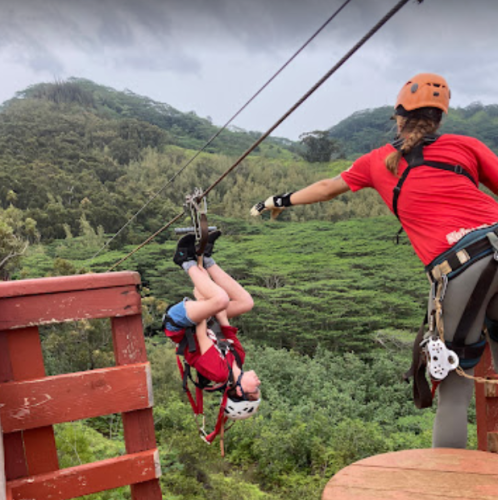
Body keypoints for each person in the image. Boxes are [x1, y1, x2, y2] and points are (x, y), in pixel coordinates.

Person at [251, 73, 498, 449]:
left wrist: (278, 201)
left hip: (461, 263)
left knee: (454, 385)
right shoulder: (466, 145)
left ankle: (448, 487)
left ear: (397, 117)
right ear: (439, 120)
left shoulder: (377, 162)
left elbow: (326, 188)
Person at [163, 230, 261, 437]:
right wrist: (211, 299)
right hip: (206, 322)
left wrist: (205, 302)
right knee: (245, 303)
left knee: (220, 300)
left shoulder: (218, 373)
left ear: (239, 391)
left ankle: (184, 260)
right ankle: (207, 260)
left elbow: (201, 334)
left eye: (255, 390)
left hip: (181, 325)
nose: (259, 383)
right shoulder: (238, 358)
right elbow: (223, 324)